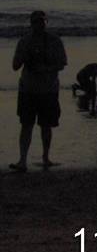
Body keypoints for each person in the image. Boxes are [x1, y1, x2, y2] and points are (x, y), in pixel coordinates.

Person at [11, 10, 68, 172]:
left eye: (42, 21)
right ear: (31, 24)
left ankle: (46, 156)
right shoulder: (24, 41)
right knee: (26, 125)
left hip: (49, 89)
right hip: (28, 89)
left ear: (47, 22)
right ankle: (22, 160)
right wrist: (23, 58)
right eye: (36, 22)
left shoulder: (55, 41)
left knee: (46, 125)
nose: (39, 24)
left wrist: (46, 68)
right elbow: (15, 66)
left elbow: (62, 63)